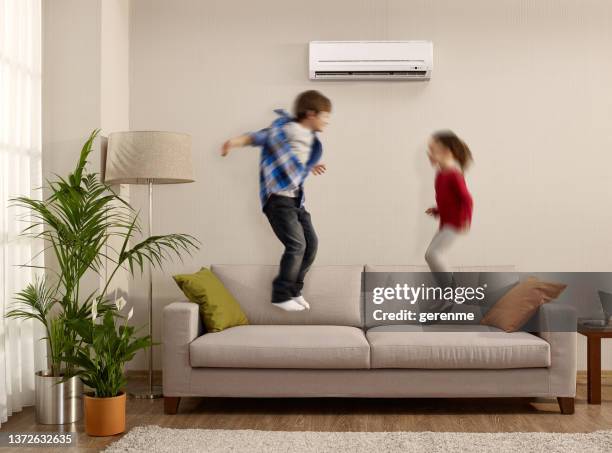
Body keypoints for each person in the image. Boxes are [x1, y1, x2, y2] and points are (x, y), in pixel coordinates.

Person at [221, 90, 331, 312]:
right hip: (278, 200)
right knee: (296, 244)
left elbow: (294, 164)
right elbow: (257, 137)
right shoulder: (284, 130)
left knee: (312, 245)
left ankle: (294, 290)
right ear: (311, 114)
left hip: (296, 201)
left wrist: (310, 167)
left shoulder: (312, 140)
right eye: (325, 116)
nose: (327, 121)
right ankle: (281, 295)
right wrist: (233, 142)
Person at [425, 130, 473, 288]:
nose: (429, 154)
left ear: (446, 152)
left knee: (433, 254)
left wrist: (466, 219)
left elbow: (466, 199)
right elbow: (449, 201)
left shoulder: (454, 174)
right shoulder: (440, 174)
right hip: (446, 222)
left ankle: (450, 291)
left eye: (432, 150)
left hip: (456, 223)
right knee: (431, 255)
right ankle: (448, 289)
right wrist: (437, 211)